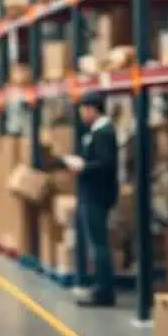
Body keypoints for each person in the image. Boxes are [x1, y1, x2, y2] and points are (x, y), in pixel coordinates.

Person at [62, 92, 119, 308]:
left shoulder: (104, 133)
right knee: (96, 243)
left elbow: (106, 164)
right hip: (93, 194)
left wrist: (83, 166)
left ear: (93, 109)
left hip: (97, 195)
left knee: (99, 244)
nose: (81, 114)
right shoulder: (98, 132)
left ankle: (104, 292)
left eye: (83, 109)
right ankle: (100, 288)